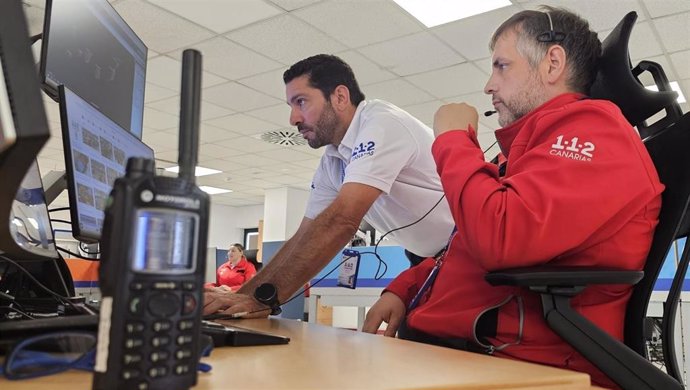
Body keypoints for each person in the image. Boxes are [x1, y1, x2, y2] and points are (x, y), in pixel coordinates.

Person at [362, 7, 663, 389]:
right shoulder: (525, 152)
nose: (489, 85)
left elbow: (501, 239)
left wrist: (452, 140)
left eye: (502, 66)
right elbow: (466, 246)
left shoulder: (597, 132)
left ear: (552, 63)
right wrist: (405, 287)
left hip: (513, 360)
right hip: (449, 350)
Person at [203, 54, 454, 317]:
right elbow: (303, 236)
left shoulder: (381, 123)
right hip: (425, 259)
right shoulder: (333, 160)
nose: (293, 118)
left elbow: (342, 221)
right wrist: (243, 297)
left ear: (340, 97)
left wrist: (262, 300)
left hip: (467, 248)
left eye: (301, 102)